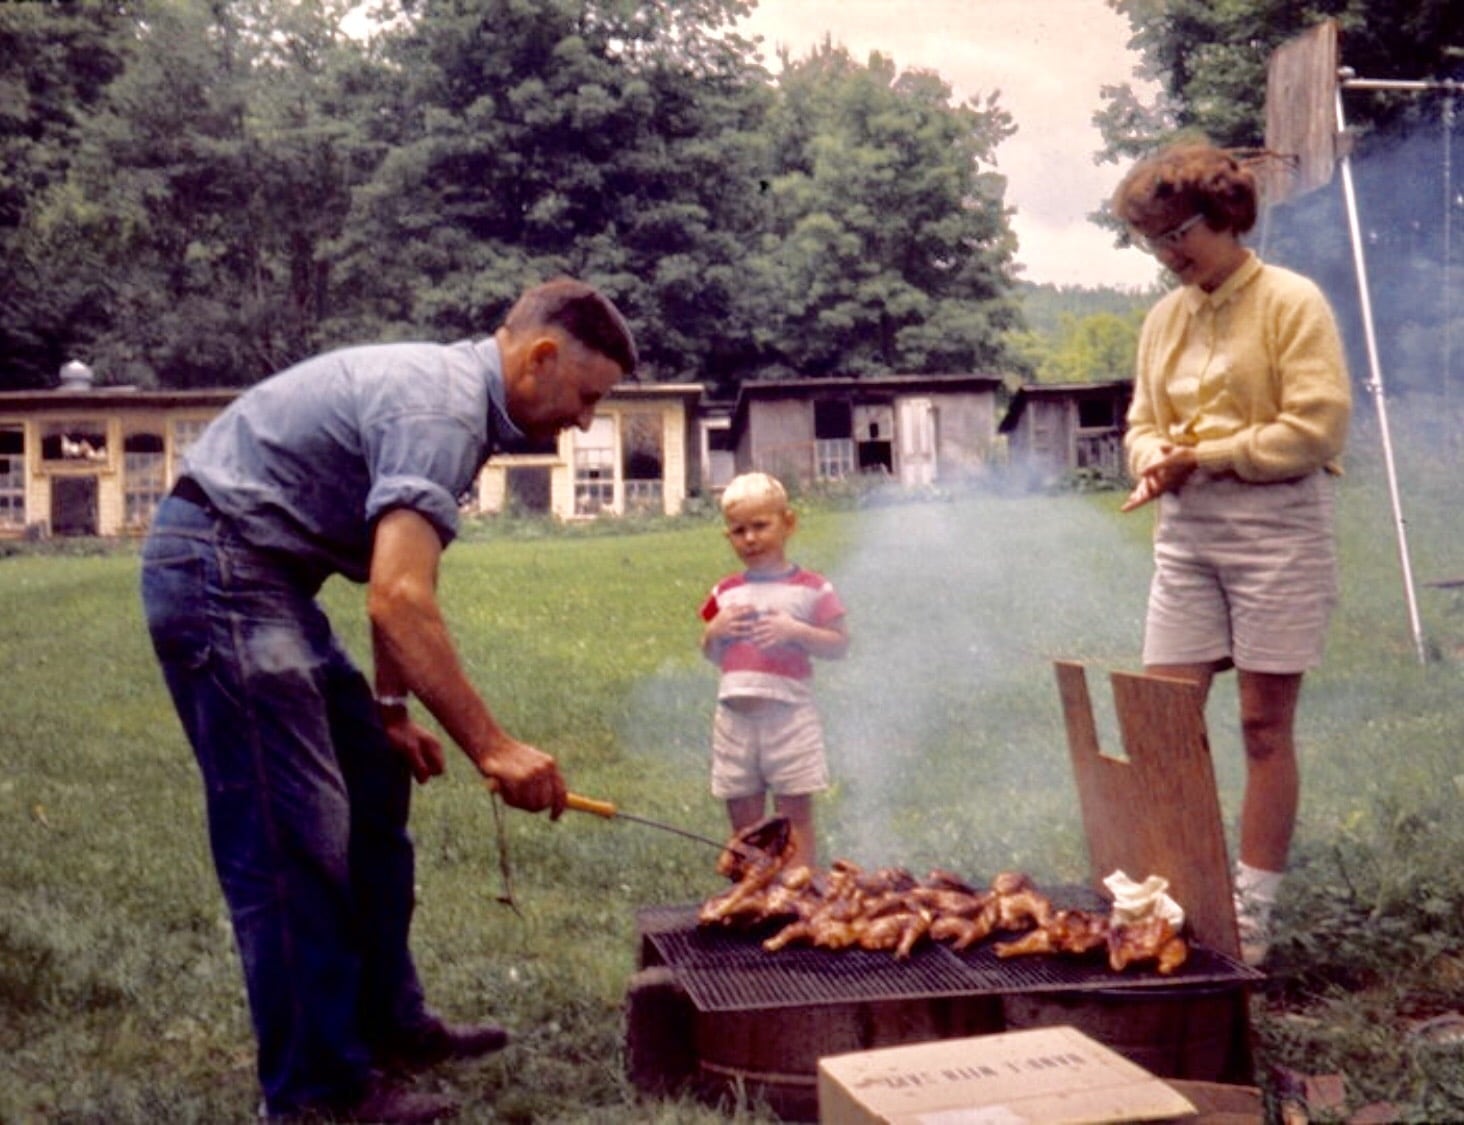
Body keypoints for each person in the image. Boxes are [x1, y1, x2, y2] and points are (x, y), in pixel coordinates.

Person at [139, 277, 637, 1122]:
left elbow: (383, 569)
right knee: (291, 834)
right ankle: (317, 1093)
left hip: (266, 577)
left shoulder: (456, 402)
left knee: (373, 775)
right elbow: (400, 597)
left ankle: (386, 1024)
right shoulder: (442, 411)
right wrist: (494, 746)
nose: (585, 421)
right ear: (541, 356)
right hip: (221, 571)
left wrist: (391, 708)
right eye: (587, 397)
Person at [1112, 142, 1352, 966]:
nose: (1169, 253)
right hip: (1187, 532)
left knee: (1260, 725)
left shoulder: (1291, 301)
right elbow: (1143, 420)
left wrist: (1205, 455)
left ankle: (1250, 912)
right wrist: (1150, 457)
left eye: (1179, 233)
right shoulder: (1164, 319)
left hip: (1276, 525)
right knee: (1164, 721)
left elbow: (1317, 428)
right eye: (1154, 240)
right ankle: (1178, 897)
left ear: (1225, 216)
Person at [699, 472, 850, 871]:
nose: (750, 539)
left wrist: (796, 632)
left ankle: (797, 894)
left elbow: (839, 645)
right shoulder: (725, 592)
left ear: (788, 523)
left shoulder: (813, 588)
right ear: (727, 537)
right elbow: (712, 653)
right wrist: (714, 631)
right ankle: (751, 899)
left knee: (793, 816)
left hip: (789, 717)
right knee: (746, 825)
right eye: (738, 530)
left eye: (761, 526)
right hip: (734, 720)